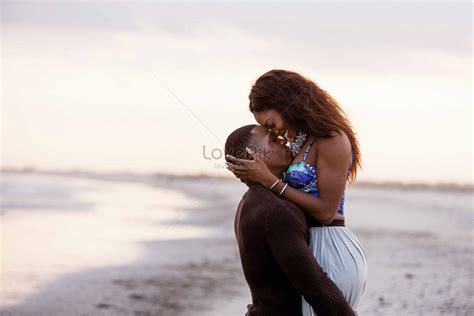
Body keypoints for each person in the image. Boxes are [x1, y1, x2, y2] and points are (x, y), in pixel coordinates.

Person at [226, 69, 368, 315]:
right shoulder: (300, 141)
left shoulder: (332, 139)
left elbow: (325, 212)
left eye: (272, 126)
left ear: (287, 105)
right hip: (308, 244)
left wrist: (269, 180)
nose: (277, 134)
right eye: (269, 133)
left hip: (329, 244)